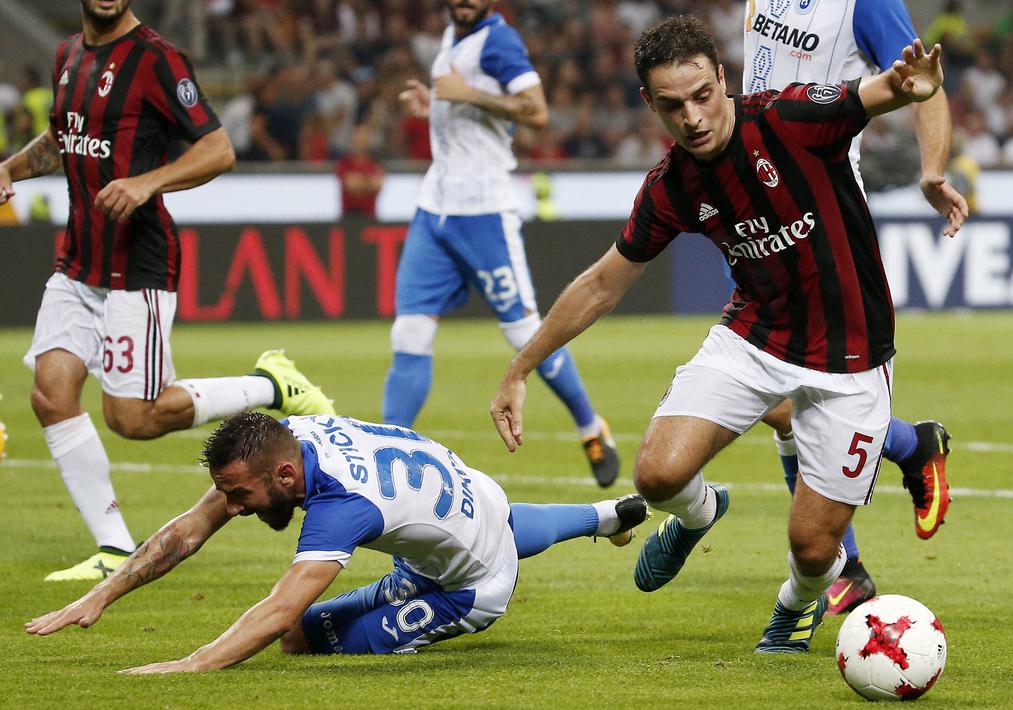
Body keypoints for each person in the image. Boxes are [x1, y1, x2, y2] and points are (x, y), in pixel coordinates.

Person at [492, 16, 956, 654]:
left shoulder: (790, 119)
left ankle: (796, 601)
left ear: (722, 77)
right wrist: (519, 368)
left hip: (852, 355)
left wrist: (915, 87)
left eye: (702, 96)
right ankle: (702, 511)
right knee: (656, 474)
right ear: (649, 104)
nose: (692, 117)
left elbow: (874, 93)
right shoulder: (671, 185)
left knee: (813, 547)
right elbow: (603, 283)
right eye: (672, 105)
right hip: (755, 336)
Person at [0, 0, 336, 582]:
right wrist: (10, 167)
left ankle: (271, 385)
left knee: (133, 418)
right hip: (78, 261)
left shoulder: (156, 59)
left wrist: (147, 181)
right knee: (52, 395)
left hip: (138, 264)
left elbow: (218, 149)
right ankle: (111, 547)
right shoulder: (67, 56)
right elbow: (63, 140)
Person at [25, 412, 649, 672]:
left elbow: (279, 613)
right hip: (472, 494)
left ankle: (592, 521)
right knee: (495, 523)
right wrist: (103, 594)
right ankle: (603, 516)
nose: (234, 510)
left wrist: (193, 664)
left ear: (286, 478)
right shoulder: (284, 438)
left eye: (240, 497)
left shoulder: (340, 508)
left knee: (299, 640)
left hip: (470, 590)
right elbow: (189, 528)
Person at [743, 0, 967, 616]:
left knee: (795, 396)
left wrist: (932, 171)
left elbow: (923, 81)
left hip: (823, 217)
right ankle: (908, 451)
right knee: (782, 404)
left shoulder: (865, 3)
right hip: (756, 207)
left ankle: (847, 562)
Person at [386, 0, 620, 486]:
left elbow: (536, 112)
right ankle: (385, 451)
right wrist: (436, 107)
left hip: (485, 212)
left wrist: (465, 94)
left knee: (524, 334)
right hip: (435, 208)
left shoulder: (500, 40)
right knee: (408, 333)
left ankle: (589, 425)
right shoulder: (454, 35)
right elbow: (471, 114)